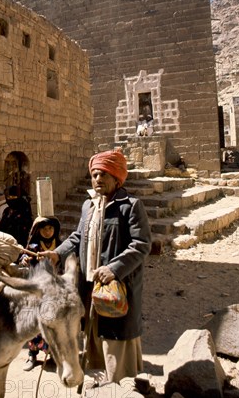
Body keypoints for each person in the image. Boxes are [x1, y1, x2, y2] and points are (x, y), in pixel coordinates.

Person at [40, 150, 152, 384]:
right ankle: (102, 384)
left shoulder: (130, 206)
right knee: (94, 331)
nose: (98, 179)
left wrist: (114, 269)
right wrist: (56, 253)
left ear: (116, 178)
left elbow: (141, 244)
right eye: (94, 175)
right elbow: (78, 237)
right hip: (90, 284)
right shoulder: (88, 206)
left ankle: (122, 388)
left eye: (103, 175)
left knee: (115, 334)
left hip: (117, 285)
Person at [19, 216, 63, 371]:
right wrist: (24, 260)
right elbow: (24, 258)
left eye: (50, 228)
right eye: (44, 228)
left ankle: (52, 355)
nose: (47, 231)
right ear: (38, 230)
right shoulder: (33, 246)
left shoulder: (60, 246)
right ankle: (32, 354)